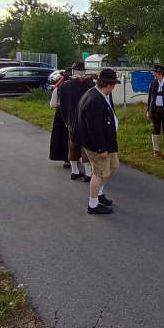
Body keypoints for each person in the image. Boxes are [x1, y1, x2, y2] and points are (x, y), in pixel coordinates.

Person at [74, 68, 121, 215]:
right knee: (100, 172)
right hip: (98, 145)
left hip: (108, 141)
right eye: (113, 84)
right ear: (109, 84)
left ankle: (99, 194)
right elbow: (94, 128)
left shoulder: (100, 94)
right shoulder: (94, 100)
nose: (114, 87)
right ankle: (93, 205)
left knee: (112, 166)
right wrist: (101, 149)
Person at [59, 62, 95, 181]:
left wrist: (66, 120)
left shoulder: (65, 86)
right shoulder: (91, 85)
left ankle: (75, 171)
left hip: (71, 120)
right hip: (87, 120)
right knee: (86, 145)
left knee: (73, 144)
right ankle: (88, 173)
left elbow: (62, 106)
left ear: (73, 71)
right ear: (84, 72)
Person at [49, 68, 72, 169]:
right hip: (73, 114)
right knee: (72, 137)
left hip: (60, 115)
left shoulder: (58, 89)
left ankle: (66, 159)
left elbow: (53, 104)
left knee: (62, 137)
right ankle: (75, 158)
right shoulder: (77, 88)